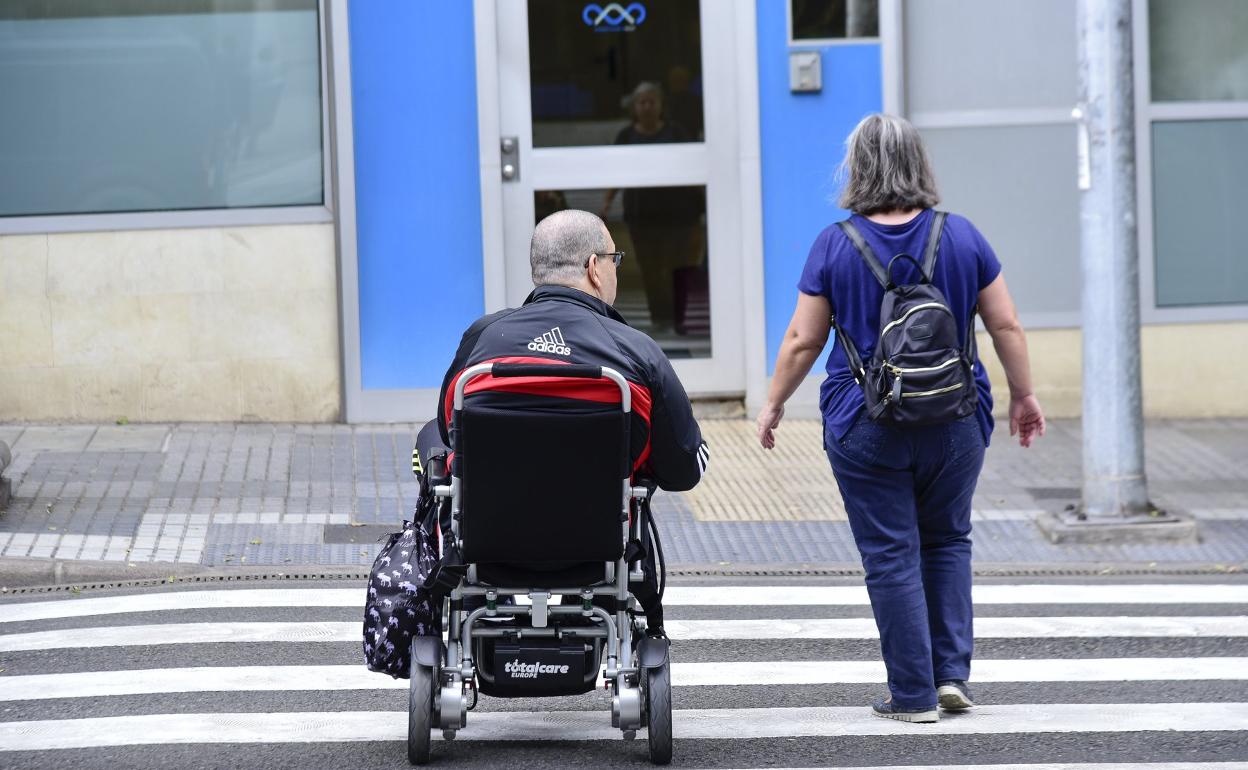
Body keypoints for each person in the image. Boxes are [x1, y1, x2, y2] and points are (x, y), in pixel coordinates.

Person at [755, 113, 1045, 723]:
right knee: (948, 539)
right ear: (919, 164)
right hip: (956, 420)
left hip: (867, 425)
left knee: (891, 553)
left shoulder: (835, 244)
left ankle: (912, 696)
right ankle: (950, 676)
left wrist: (775, 401)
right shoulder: (961, 236)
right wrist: (1023, 395)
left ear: (857, 168)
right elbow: (1006, 325)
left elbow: (803, 341)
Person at [431, 208, 709, 635]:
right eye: (614, 260)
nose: (615, 270)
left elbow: (449, 431)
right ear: (594, 267)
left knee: (430, 439)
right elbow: (683, 469)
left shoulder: (483, 339)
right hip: (598, 548)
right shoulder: (635, 353)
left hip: (487, 545)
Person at [600, 82, 704, 334]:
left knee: (677, 267)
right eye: (642, 102)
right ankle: (660, 318)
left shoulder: (676, 132)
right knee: (650, 268)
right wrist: (607, 202)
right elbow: (616, 170)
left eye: (651, 101)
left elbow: (692, 167)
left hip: (678, 215)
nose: (647, 107)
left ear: (660, 106)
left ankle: (679, 318)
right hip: (641, 216)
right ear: (634, 108)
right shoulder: (626, 137)